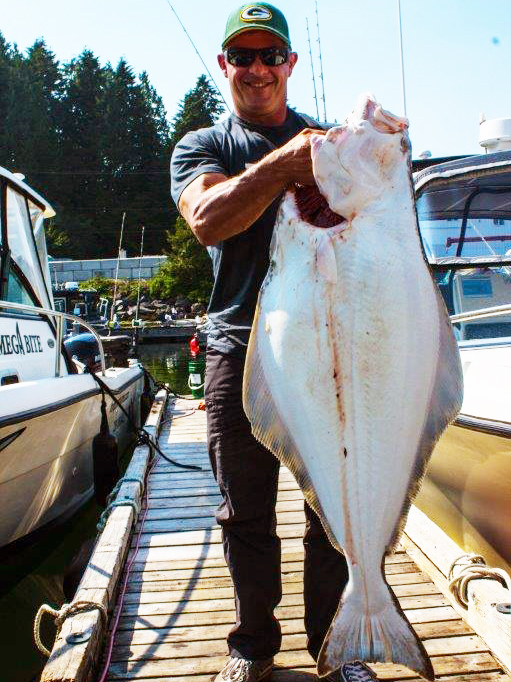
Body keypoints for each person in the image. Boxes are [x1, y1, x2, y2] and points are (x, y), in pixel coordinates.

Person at [170, 5, 378, 682]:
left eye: (270, 55)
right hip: (237, 346)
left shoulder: (327, 141)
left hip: (329, 351)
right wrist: (282, 166)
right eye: (243, 56)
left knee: (330, 508)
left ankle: (333, 649)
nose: (257, 69)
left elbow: (373, 224)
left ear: (288, 63)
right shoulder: (202, 147)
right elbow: (206, 218)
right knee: (243, 510)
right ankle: (252, 646)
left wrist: (376, 151)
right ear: (224, 66)